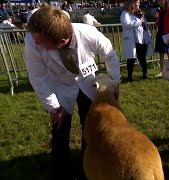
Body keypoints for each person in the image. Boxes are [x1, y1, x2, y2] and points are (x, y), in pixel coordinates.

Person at [24, 6, 121, 180]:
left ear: (60, 41)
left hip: (87, 81)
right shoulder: (32, 43)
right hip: (59, 86)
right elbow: (38, 78)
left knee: (90, 125)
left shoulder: (88, 33)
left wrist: (114, 83)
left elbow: (110, 55)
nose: (35, 42)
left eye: (39, 41)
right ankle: (61, 172)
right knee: (60, 129)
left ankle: (88, 165)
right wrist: (54, 107)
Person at [120, 0, 151, 81]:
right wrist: (139, 21)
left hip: (142, 38)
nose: (139, 4)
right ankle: (129, 76)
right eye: (137, 2)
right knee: (131, 58)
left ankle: (145, 73)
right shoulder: (126, 13)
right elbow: (126, 24)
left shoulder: (140, 13)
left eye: (139, 3)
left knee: (142, 57)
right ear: (132, 3)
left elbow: (145, 24)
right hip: (133, 39)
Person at [154, 0, 169, 77]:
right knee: (161, 54)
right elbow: (158, 24)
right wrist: (156, 19)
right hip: (161, 35)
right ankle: (162, 71)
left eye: (160, 0)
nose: (159, 2)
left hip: (168, 35)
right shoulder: (161, 11)